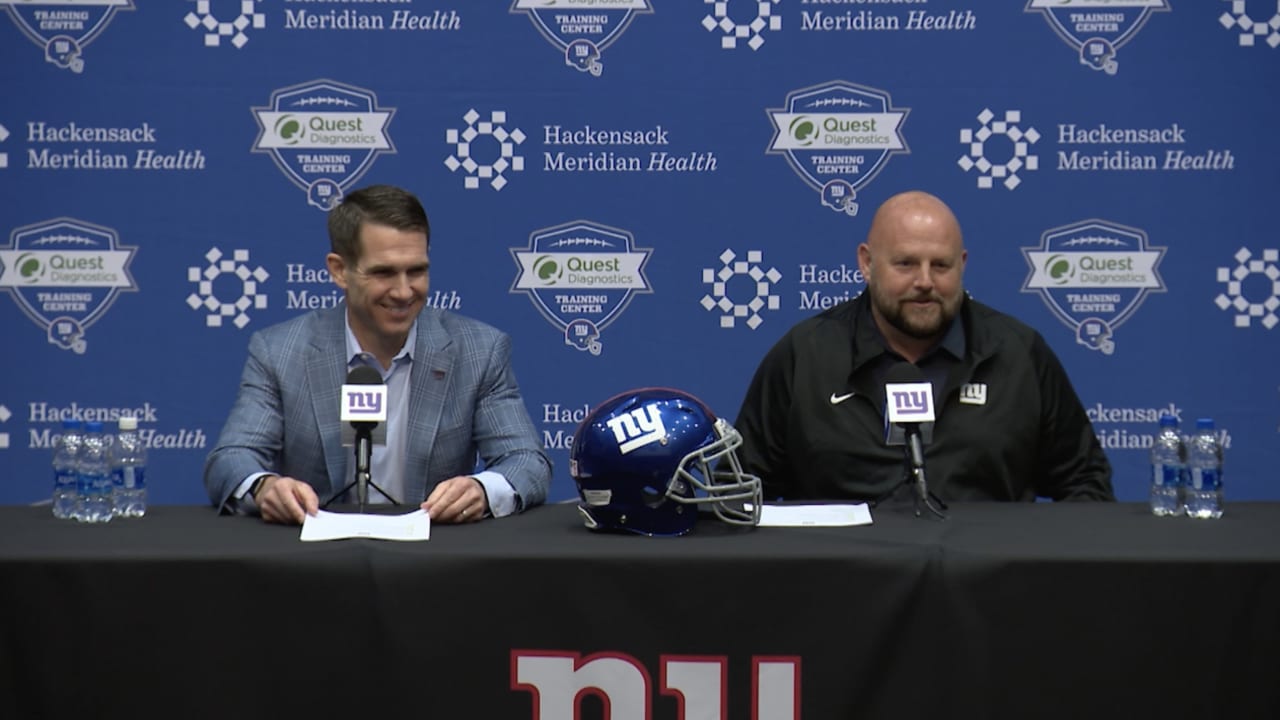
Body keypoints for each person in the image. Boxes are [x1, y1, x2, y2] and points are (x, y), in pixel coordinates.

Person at [733, 190, 1114, 503]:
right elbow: (742, 489)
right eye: (906, 264)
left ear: (962, 265)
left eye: (941, 265)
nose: (925, 281)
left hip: (988, 586)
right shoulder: (806, 354)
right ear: (866, 264)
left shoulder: (1017, 353)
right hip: (842, 586)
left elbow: (1086, 483)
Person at [203, 184, 552, 524]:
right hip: (314, 562)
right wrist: (265, 487)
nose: (403, 291)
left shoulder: (479, 350)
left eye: (417, 271)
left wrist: (482, 489)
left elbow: (526, 461)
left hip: (433, 560)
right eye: (384, 272)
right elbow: (231, 459)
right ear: (339, 270)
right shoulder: (278, 352)